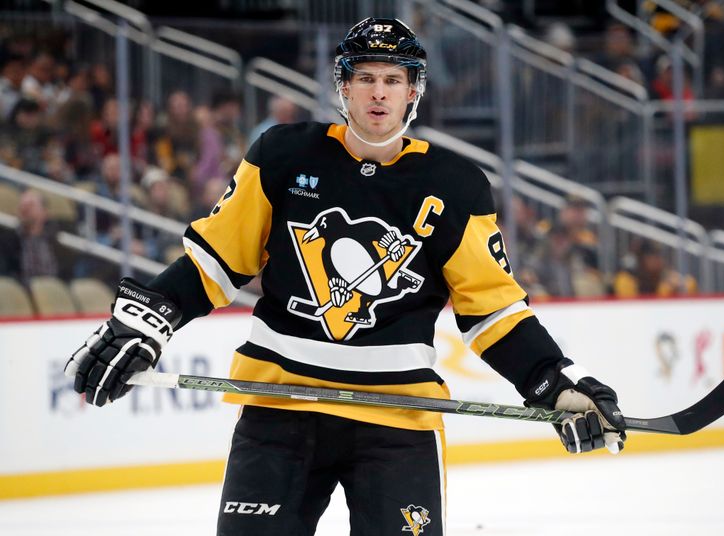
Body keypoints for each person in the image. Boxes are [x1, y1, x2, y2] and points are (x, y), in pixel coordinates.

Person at [64, 18, 626, 536]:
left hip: (397, 423)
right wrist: (146, 321)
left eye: (392, 79)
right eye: (364, 78)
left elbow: (493, 313)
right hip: (278, 407)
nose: (378, 92)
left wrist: (555, 381)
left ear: (413, 91)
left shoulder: (456, 186)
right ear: (343, 87)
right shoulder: (282, 155)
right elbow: (217, 262)